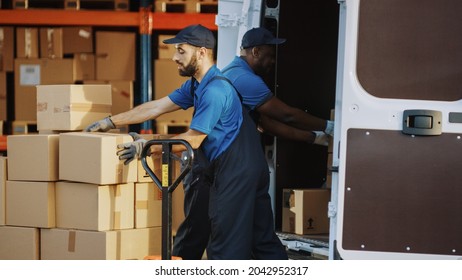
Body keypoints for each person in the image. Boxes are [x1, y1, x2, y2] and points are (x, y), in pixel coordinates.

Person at [84, 24, 288, 260]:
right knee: (262, 239)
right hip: (249, 167)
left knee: (225, 247)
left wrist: (148, 146)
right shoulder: (197, 85)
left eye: (181, 51)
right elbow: (158, 106)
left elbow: (194, 138)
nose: (174, 57)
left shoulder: (216, 90)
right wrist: (111, 121)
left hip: (235, 172)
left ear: (201, 52)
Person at [172, 27, 334, 260]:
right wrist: (329, 126)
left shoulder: (235, 75)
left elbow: (266, 123)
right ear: (256, 52)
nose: (274, 60)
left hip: (239, 167)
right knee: (211, 235)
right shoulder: (242, 78)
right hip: (215, 167)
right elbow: (287, 115)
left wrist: (314, 137)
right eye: (271, 53)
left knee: (258, 236)